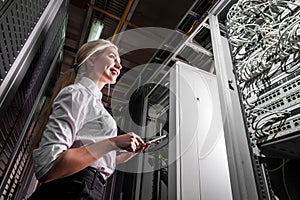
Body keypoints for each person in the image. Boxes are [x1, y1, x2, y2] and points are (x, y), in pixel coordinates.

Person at [28, 39, 150, 199]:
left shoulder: (93, 102)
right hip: (71, 190)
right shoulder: (77, 94)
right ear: (91, 60)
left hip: (86, 189)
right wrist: (113, 143)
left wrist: (121, 155)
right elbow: (48, 166)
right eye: (112, 56)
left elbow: (90, 158)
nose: (120, 66)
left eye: (119, 61)